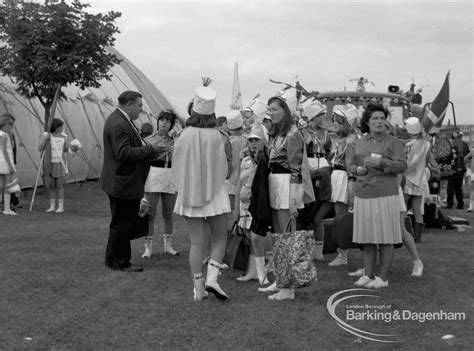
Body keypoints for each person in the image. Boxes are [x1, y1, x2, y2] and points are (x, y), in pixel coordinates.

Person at [172, 85, 232, 301]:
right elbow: (227, 169)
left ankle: (198, 290)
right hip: (215, 192)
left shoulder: (183, 135)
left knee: (196, 242)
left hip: (189, 192)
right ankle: (212, 279)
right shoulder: (219, 136)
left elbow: (176, 165)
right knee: (219, 238)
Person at [100, 91, 171, 272]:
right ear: (130, 104)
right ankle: (122, 262)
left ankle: (112, 259)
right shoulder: (119, 123)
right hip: (122, 182)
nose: (141, 109)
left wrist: (152, 152)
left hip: (122, 180)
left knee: (119, 223)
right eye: (139, 105)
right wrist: (151, 150)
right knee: (122, 223)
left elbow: (131, 148)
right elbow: (123, 153)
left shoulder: (122, 120)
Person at [258, 95, 315, 300]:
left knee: (286, 237)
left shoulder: (293, 135)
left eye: (275, 109)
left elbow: (296, 170)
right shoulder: (277, 135)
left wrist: (293, 201)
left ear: (286, 111)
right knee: (277, 237)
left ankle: (288, 288)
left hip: (285, 187)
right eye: (269, 109)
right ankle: (281, 279)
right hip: (275, 185)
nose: (270, 112)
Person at [348, 102, 407, 288]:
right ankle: (368, 274)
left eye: (382, 118)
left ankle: (382, 278)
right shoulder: (359, 142)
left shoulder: (393, 142)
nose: (379, 121)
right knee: (367, 238)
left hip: (385, 194)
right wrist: (357, 169)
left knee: (386, 237)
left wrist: (382, 162)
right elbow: (349, 165)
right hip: (363, 193)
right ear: (368, 121)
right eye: (375, 118)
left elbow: (402, 166)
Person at [233, 124, 272, 283]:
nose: (253, 143)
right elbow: (239, 184)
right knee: (250, 236)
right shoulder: (246, 160)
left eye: (256, 140)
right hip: (245, 205)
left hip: (257, 205)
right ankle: (253, 271)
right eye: (250, 141)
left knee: (259, 236)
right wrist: (236, 207)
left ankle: (266, 269)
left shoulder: (266, 160)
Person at [141, 110, 179, 258]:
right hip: (153, 175)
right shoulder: (148, 140)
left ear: (171, 124)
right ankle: (148, 248)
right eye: (162, 119)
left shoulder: (175, 140)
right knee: (150, 213)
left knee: (168, 213)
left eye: (168, 121)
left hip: (169, 175)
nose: (164, 123)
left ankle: (168, 246)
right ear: (157, 121)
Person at [327, 107, 356, 266]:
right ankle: (341, 252)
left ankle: (343, 254)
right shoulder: (344, 139)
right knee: (339, 215)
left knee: (341, 216)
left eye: (338, 121)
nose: (334, 124)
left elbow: (349, 163)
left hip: (343, 176)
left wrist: (351, 182)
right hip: (338, 175)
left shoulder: (350, 140)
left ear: (346, 123)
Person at [402, 117, 432, 243]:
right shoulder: (427, 144)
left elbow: (404, 162)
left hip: (407, 178)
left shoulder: (408, 145)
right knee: (417, 210)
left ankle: (407, 236)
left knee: (402, 208)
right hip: (420, 179)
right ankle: (417, 238)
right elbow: (427, 161)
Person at [38, 118, 69, 213]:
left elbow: (66, 149)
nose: (62, 128)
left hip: (59, 164)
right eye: (61, 126)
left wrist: (69, 146)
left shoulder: (64, 137)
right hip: (50, 163)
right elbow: (40, 148)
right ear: (56, 127)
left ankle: (60, 206)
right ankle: (52, 206)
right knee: (51, 185)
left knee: (59, 185)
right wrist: (45, 140)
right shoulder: (47, 136)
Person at [225, 109, 247, 229]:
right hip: (244, 181)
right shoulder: (247, 140)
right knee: (242, 214)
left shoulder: (228, 142)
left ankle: (232, 239)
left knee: (230, 213)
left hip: (230, 181)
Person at [447, 132, 469, 209]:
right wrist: (465, 162)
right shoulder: (465, 144)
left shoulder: (451, 145)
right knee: (458, 187)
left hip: (452, 169)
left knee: (450, 187)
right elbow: (468, 155)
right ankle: (460, 203)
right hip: (461, 168)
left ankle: (450, 204)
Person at [0, 115, 17, 215]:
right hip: (5, 161)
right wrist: (10, 165)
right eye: (10, 125)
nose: (11, 127)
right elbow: (4, 150)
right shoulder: (4, 135)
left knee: (2, 184)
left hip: (1, 160)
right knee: (8, 184)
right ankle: (6, 208)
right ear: (4, 124)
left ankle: (3, 207)